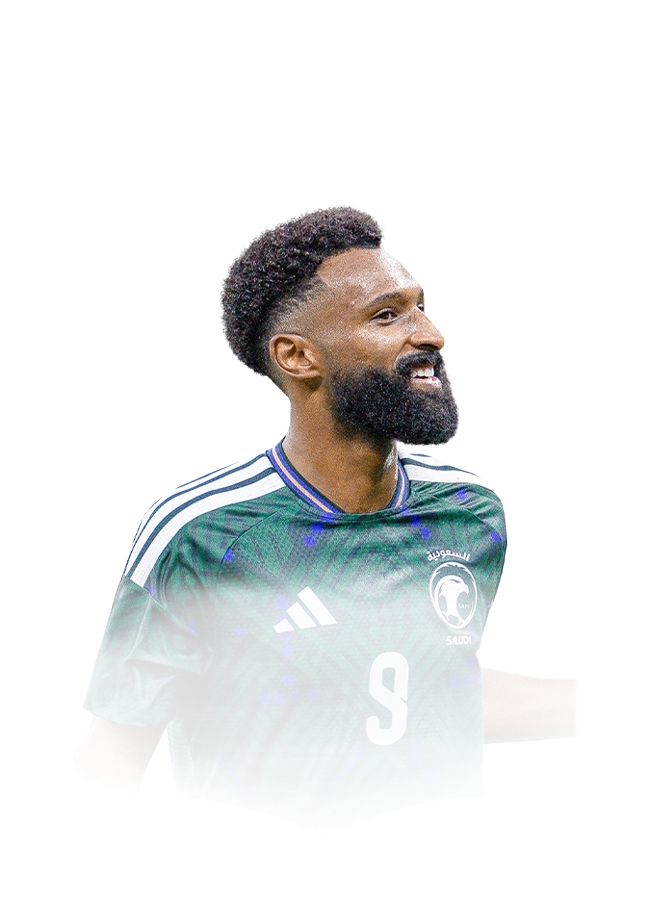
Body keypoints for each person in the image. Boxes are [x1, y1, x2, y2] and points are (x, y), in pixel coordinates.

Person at [73, 207, 576, 830]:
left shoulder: (470, 514)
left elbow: (429, 685)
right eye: (387, 315)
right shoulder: (202, 533)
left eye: (420, 308)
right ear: (297, 356)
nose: (430, 335)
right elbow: (115, 751)